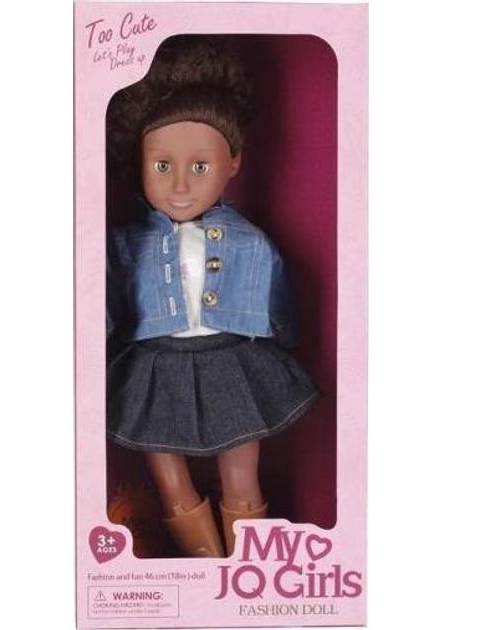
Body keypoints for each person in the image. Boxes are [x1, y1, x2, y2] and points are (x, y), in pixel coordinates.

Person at [106, 36, 320, 558]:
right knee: (171, 483)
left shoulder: (250, 242)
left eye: (199, 166)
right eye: (162, 166)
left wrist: (286, 338)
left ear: (234, 163)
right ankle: (204, 576)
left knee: (241, 477)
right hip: (152, 366)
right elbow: (106, 305)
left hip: (234, 361)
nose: (180, 185)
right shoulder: (126, 243)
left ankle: (248, 573)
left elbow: (277, 296)